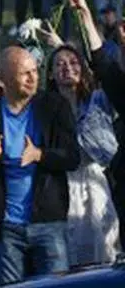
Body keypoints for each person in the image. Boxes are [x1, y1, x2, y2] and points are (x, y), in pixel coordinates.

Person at [0, 46, 79, 285]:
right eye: (24, 73)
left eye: (35, 71)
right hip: (5, 226)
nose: (33, 78)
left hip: (48, 222)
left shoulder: (54, 106)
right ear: (6, 79)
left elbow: (72, 157)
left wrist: (39, 154)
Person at [46, 45, 121, 267]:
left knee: (103, 246)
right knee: (70, 250)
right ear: (50, 73)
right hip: (63, 182)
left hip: (96, 178)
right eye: (60, 64)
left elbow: (111, 74)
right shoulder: (46, 108)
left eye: (73, 62)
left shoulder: (98, 99)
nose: (67, 68)